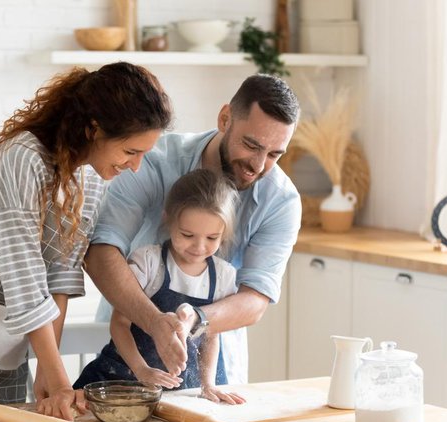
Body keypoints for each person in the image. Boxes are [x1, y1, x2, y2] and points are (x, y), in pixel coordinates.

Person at [0, 62, 173, 421]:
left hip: (14, 332)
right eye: (130, 151)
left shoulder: (91, 179)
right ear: (94, 128)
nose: (136, 166)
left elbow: (61, 275)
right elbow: (24, 275)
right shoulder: (22, 158)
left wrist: (49, 373)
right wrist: (59, 378)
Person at [85, 73, 301, 384]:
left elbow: (255, 301)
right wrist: (155, 323)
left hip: (212, 368)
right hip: (124, 353)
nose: (258, 164)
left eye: (274, 154)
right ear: (225, 119)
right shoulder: (154, 160)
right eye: (251, 145)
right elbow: (101, 251)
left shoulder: (281, 201)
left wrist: (196, 319)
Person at [74, 169, 245, 404]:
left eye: (212, 238)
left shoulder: (224, 276)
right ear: (168, 219)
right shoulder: (148, 262)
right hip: (119, 383)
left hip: (174, 393)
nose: (199, 246)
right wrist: (141, 370)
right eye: (187, 234)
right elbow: (119, 324)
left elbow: (211, 336)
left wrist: (208, 385)